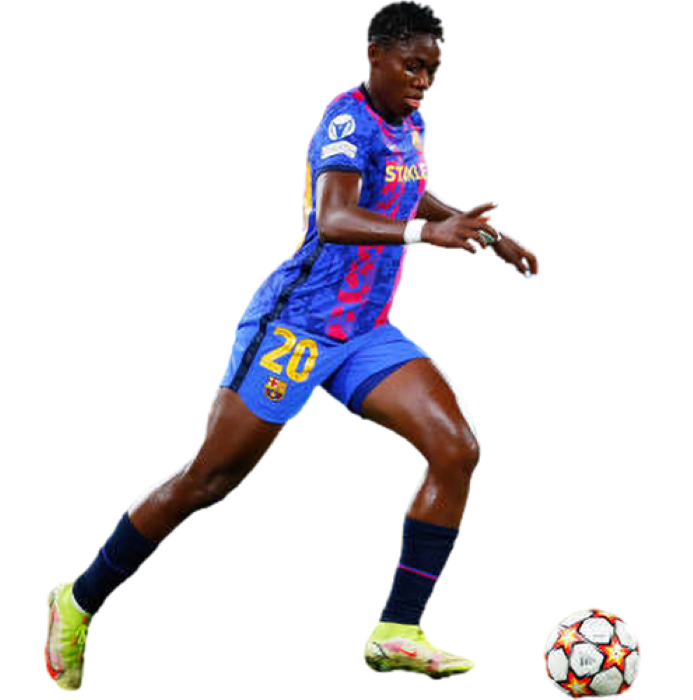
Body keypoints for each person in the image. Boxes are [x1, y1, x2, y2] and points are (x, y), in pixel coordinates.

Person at [44, 0, 539, 690]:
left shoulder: (410, 121)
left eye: (433, 69)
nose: (423, 81)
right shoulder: (345, 121)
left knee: (458, 448)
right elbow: (334, 216)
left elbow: (409, 189)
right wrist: (428, 237)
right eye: (411, 66)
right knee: (210, 479)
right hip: (296, 327)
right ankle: (77, 600)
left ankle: (397, 630)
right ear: (373, 56)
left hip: (364, 330)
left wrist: (479, 230)